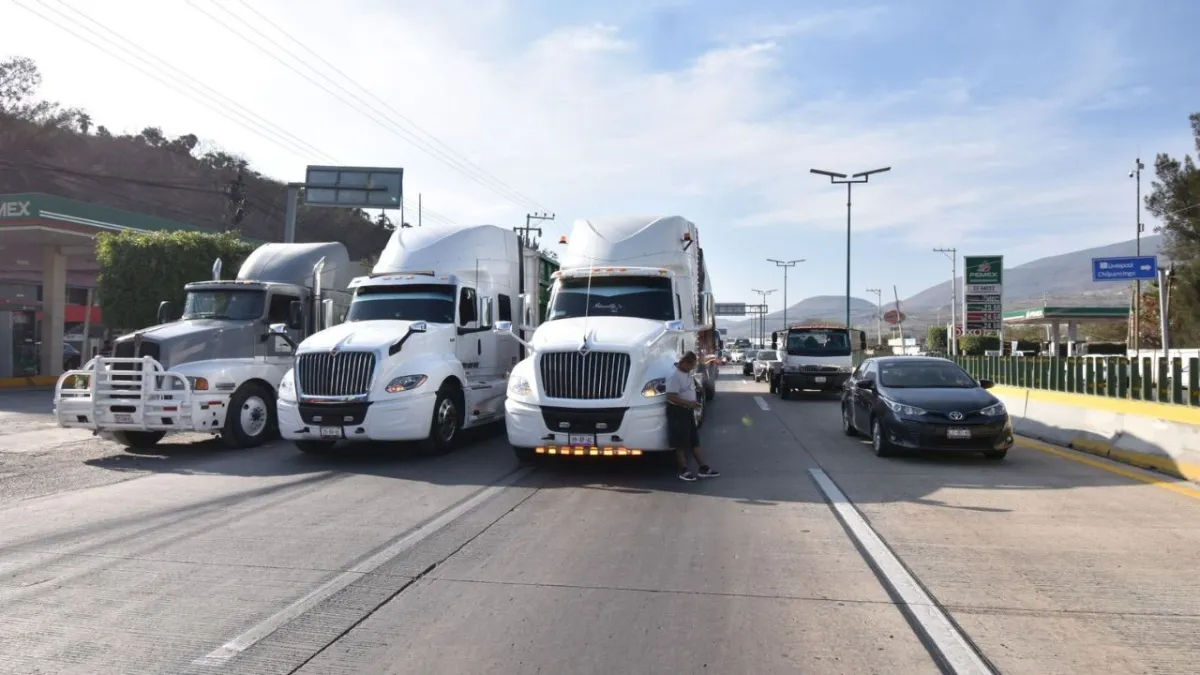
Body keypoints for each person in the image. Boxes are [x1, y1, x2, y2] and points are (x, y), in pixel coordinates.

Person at [665, 351, 720, 481]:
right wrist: (688, 402)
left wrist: (698, 388)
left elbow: (691, 383)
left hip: (688, 411)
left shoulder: (687, 373)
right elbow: (671, 396)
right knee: (680, 443)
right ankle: (683, 471)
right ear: (683, 363)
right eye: (690, 366)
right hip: (678, 411)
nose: (691, 368)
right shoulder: (675, 376)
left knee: (694, 441)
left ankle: (703, 468)